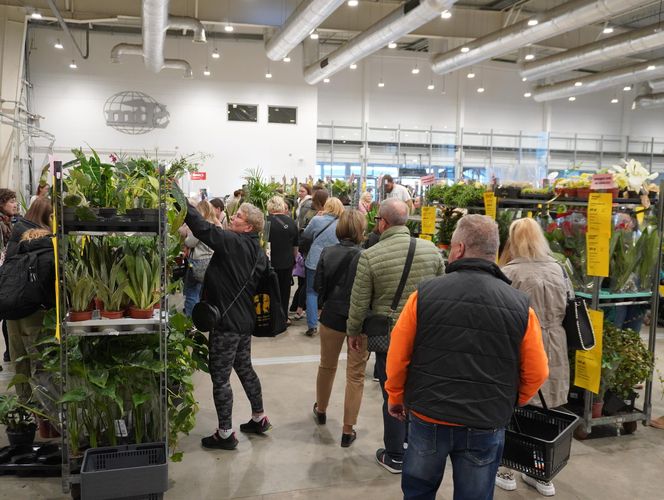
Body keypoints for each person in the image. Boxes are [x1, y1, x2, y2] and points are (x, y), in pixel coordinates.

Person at [385, 214, 549, 500]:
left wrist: (396, 396)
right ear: (494, 252)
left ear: (459, 249)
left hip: (428, 415)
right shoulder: (521, 307)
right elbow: (537, 371)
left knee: (419, 491)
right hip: (485, 420)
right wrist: (510, 400)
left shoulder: (423, 296)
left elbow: (398, 356)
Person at [346, 198, 444, 473]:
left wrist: (353, 332)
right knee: (420, 391)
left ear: (383, 222)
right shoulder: (432, 251)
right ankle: (419, 448)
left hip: (388, 339)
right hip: (424, 337)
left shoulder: (370, 255)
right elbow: (441, 294)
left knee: (393, 393)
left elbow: (359, 301)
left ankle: (395, 454)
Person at [182, 197, 272, 450]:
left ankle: (225, 433)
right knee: (244, 368)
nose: (234, 217)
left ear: (249, 227)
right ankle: (259, 417)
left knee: (220, 378)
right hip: (244, 322)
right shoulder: (259, 253)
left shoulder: (232, 242)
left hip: (226, 323)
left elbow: (201, 227)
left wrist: (181, 200)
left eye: (240, 217)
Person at [494, 217, 572, 497]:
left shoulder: (509, 272)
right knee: (546, 410)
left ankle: (506, 469)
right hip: (554, 342)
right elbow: (570, 302)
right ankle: (542, 473)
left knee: (514, 408)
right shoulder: (558, 269)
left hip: (520, 343)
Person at [313, 209, 366, 447]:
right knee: (355, 374)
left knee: (327, 365)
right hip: (359, 320)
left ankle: (321, 409)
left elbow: (318, 286)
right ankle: (347, 429)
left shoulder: (327, 252)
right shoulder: (367, 256)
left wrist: (323, 307)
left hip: (332, 316)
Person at [5, 228, 55, 401]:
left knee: (19, 360)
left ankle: (25, 401)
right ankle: (43, 406)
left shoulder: (14, 256)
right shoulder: (50, 256)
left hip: (11, 316)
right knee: (40, 360)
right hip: (37, 314)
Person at [301, 196, 343, 337]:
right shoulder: (342, 223)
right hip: (335, 260)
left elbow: (306, 234)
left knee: (311, 292)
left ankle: (312, 325)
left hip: (315, 260)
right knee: (332, 293)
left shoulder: (317, 220)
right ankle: (331, 323)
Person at [179, 200, 220, 317]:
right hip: (211, 261)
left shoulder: (201, 226)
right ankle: (205, 318)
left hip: (198, 262)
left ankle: (191, 321)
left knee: (192, 292)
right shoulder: (216, 224)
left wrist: (187, 234)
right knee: (204, 293)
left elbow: (190, 242)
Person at [267, 196, 298, 324]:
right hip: (287, 262)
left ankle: (271, 318)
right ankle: (284, 317)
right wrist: (293, 260)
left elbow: (263, 244)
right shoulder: (291, 222)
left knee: (270, 291)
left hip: (270, 263)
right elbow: (295, 246)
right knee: (285, 291)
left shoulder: (266, 222)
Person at [0, 188, 19, 366]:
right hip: (2, 273)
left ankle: (8, 353)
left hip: (5, 273)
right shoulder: (1, 223)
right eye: (11, 201)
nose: (15, 204)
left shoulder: (8, 222)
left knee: (6, 314)